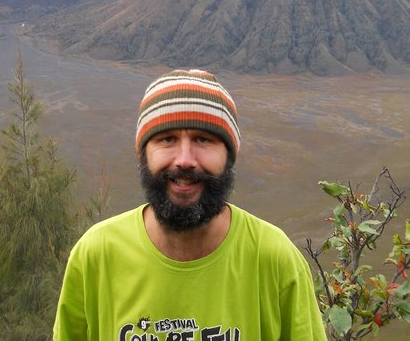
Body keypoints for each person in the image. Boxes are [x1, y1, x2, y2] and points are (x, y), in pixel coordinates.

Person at [53, 69, 326, 340]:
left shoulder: (274, 259)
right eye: (167, 139)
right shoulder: (96, 255)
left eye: (203, 139)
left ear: (229, 157)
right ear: (144, 154)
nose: (184, 159)